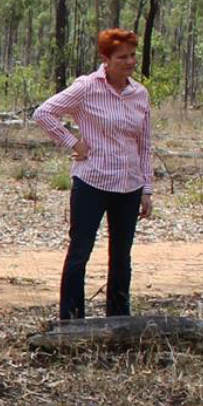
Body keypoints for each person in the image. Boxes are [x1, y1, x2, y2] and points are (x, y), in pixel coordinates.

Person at [34, 27, 156, 320]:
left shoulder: (139, 94)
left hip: (128, 185)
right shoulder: (87, 87)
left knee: (121, 258)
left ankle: (118, 320)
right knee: (80, 252)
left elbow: (145, 143)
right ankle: (72, 321)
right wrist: (73, 142)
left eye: (132, 56)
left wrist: (147, 189)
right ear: (106, 58)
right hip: (92, 181)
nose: (128, 62)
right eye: (121, 57)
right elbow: (44, 113)